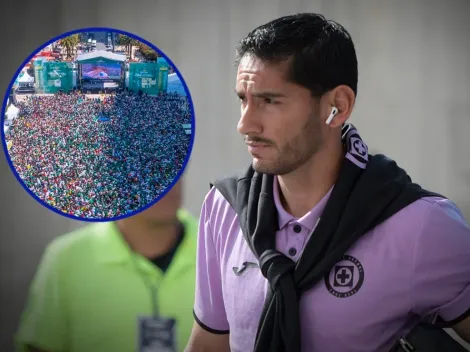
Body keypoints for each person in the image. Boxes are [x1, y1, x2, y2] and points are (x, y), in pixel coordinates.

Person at [185, 13, 470, 352]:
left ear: (338, 105)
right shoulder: (224, 207)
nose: (245, 124)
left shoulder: (420, 224)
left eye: (269, 101)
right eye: (243, 100)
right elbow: (207, 345)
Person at [16, 180, 198, 352]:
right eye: (147, 169)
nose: (166, 182)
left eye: (172, 167)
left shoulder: (221, 249)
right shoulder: (66, 258)